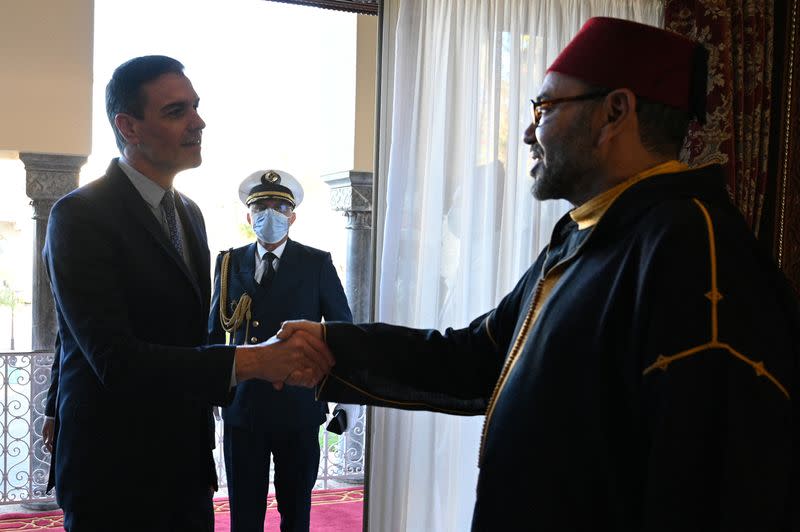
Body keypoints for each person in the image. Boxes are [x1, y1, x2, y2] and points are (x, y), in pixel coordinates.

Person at [277, 18, 800, 531]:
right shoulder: (584, 235)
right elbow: (479, 356)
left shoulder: (691, 243)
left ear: (615, 111)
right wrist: (328, 344)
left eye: (545, 107)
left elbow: (713, 486)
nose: (528, 130)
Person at [42, 55, 333, 532]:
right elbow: (109, 355)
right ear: (128, 127)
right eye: (176, 112)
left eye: (195, 107)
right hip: (115, 471)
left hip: (186, 464)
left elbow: (191, 333)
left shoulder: (190, 214)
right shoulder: (80, 216)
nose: (199, 122)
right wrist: (254, 361)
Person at [208, 169, 352, 531]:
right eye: (261, 207)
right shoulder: (228, 263)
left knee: (296, 511)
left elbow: (341, 331)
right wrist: (206, 395)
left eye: (279, 207)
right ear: (248, 215)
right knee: (244, 512)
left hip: (299, 408)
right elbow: (213, 334)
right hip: (244, 408)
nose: (270, 214)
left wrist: (346, 398)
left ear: (293, 216)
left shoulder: (316, 262)